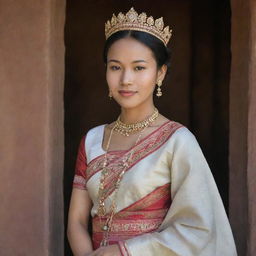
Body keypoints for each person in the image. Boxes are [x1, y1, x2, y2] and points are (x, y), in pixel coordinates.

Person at [67, 7, 237, 256]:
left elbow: (198, 229)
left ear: (160, 72)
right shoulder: (92, 141)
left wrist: (122, 252)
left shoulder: (177, 141)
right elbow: (77, 222)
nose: (126, 79)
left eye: (138, 68)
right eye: (115, 67)